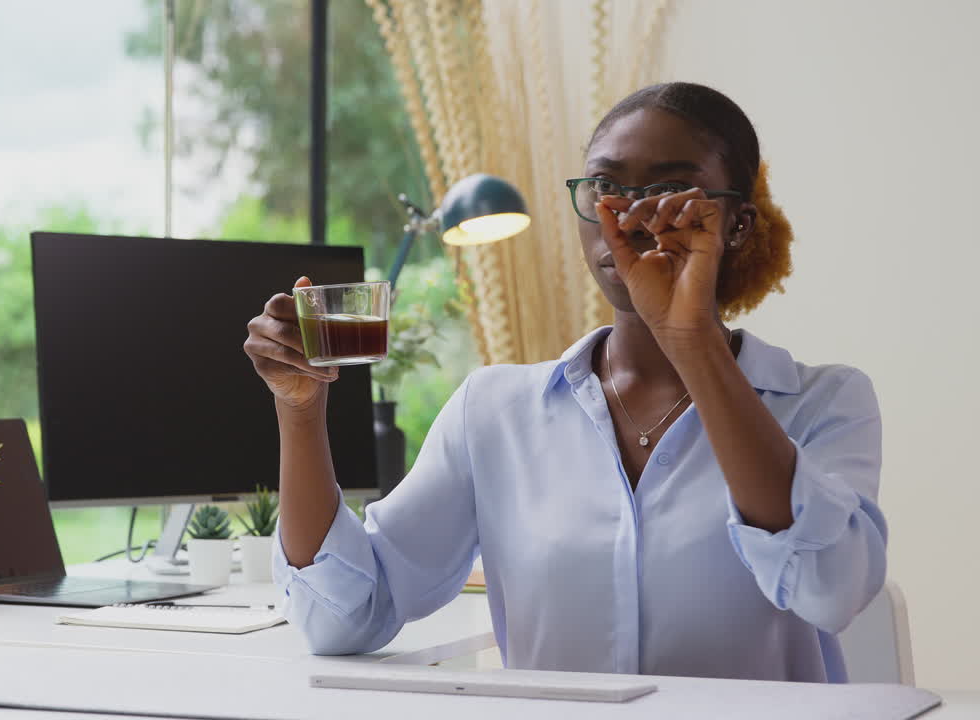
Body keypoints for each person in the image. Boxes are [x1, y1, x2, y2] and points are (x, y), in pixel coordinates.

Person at [242, 82, 886, 683]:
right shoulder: (493, 411)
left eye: (669, 191)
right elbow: (342, 617)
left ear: (736, 224)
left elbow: (828, 588)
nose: (629, 218)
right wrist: (299, 412)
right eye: (605, 185)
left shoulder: (822, 403)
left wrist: (690, 339)